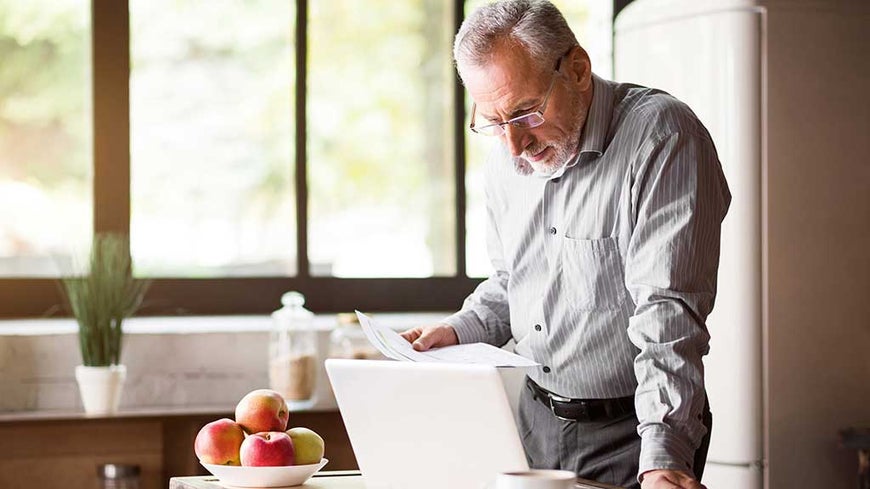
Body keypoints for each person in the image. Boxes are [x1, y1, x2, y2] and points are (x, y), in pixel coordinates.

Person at [400, 1, 731, 488]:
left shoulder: (663, 138)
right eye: (493, 122)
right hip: (534, 425)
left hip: (633, 435)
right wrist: (458, 330)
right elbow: (515, 281)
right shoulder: (506, 160)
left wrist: (665, 457)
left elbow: (668, 311)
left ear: (577, 69)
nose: (514, 146)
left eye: (526, 113)